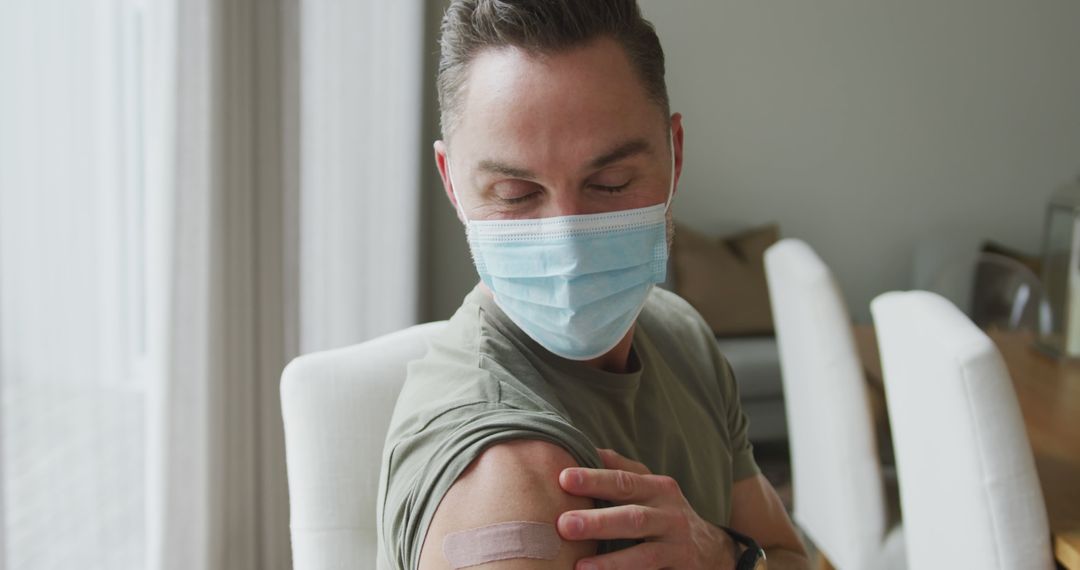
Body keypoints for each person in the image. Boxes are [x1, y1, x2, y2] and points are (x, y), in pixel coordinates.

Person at [378, 1, 809, 568]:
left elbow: (793, 556)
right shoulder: (502, 472)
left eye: (610, 183)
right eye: (516, 194)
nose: (569, 243)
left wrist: (725, 554)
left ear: (674, 157)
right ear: (454, 186)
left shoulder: (679, 335)